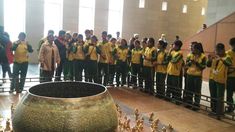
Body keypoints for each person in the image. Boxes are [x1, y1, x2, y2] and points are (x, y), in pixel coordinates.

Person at [207, 43, 232, 119]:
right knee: (213, 95)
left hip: (221, 80)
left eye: (219, 50)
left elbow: (229, 64)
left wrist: (220, 58)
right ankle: (213, 110)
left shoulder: (227, 57)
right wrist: (209, 59)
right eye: (216, 50)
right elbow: (208, 65)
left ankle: (219, 113)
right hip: (212, 78)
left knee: (219, 97)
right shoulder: (214, 56)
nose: (217, 52)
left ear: (223, 50)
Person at [185, 42, 206, 110]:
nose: (192, 49)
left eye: (193, 48)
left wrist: (197, 63)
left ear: (198, 49)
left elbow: (203, 66)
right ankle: (189, 102)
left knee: (197, 91)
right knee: (189, 89)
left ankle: (196, 104)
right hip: (189, 74)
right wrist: (190, 62)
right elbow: (187, 64)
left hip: (197, 76)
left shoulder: (203, 56)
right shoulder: (189, 55)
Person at [226, 37, 235, 113]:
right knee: (229, 93)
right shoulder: (228, 53)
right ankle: (230, 107)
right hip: (230, 77)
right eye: (233, 45)